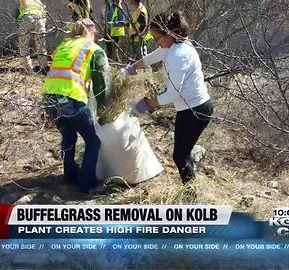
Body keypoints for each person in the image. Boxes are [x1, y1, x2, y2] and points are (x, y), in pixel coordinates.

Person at [126, 11, 213, 184]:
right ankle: (191, 188)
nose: (157, 42)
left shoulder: (178, 55)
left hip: (195, 111)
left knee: (180, 156)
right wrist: (132, 68)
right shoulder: (172, 46)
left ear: (170, 32)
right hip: (191, 108)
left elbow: (172, 94)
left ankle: (191, 195)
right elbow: (153, 57)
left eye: (158, 38)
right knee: (182, 154)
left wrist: (145, 104)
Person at [44, 18, 110, 193]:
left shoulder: (64, 45)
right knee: (93, 141)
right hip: (70, 99)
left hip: (50, 99)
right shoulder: (94, 50)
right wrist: (105, 110)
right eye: (95, 33)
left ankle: (69, 175)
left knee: (68, 136)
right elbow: (101, 85)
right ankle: (88, 184)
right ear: (92, 30)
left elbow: (60, 64)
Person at [16, 0, 48, 74]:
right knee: (41, 45)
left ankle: (28, 69)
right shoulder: (38, 1)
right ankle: (43, 68)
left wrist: (18, 22)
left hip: (27, 18)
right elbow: (45, 13)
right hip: (40, 19)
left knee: (24, 46)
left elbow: (23, 6)